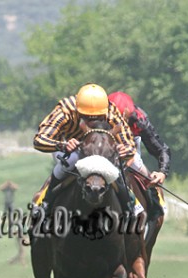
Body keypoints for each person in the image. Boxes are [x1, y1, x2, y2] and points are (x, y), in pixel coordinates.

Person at [33, 83, 137, 215]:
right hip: (69, 148)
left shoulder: (110, 111)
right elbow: (39, 140)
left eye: (98, 118)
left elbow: (130, 145)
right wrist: (63, 145)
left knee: (115, 168)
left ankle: (130, 208)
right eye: (86, 117)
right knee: (71, 160)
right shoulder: (65, 110)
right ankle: (46, 203)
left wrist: (125, 150)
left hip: (101, 150)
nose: (92, 123)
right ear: (77, 110)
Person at [108, 91, 171, 219]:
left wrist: (162, 172)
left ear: (128, 115)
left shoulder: (139, 120)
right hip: (106, 144)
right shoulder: (99, 115)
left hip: (130, 146)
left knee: (138, 166)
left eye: (122, 120)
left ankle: (154, 204)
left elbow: (162, 149)